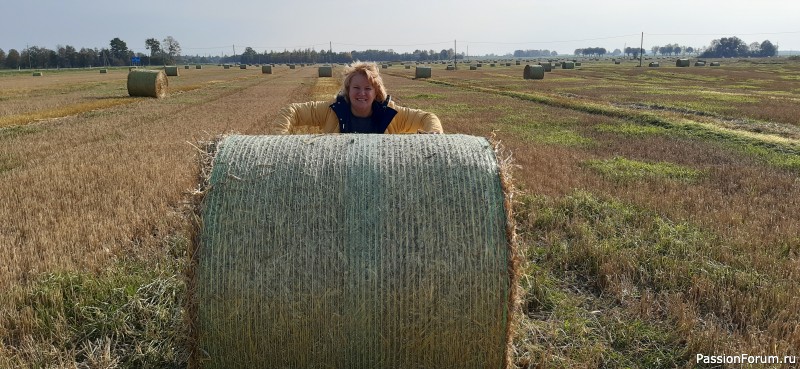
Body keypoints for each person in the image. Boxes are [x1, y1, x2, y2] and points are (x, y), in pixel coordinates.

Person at [272, 61, 443, 134]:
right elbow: (291, 111)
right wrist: (280, 141)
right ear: (348, 89)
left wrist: (434, 133)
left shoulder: (391, 113)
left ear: (377, 92)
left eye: (368, 88)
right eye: (356, 87)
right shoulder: (332, 110)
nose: (361, 93)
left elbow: (427, 117)